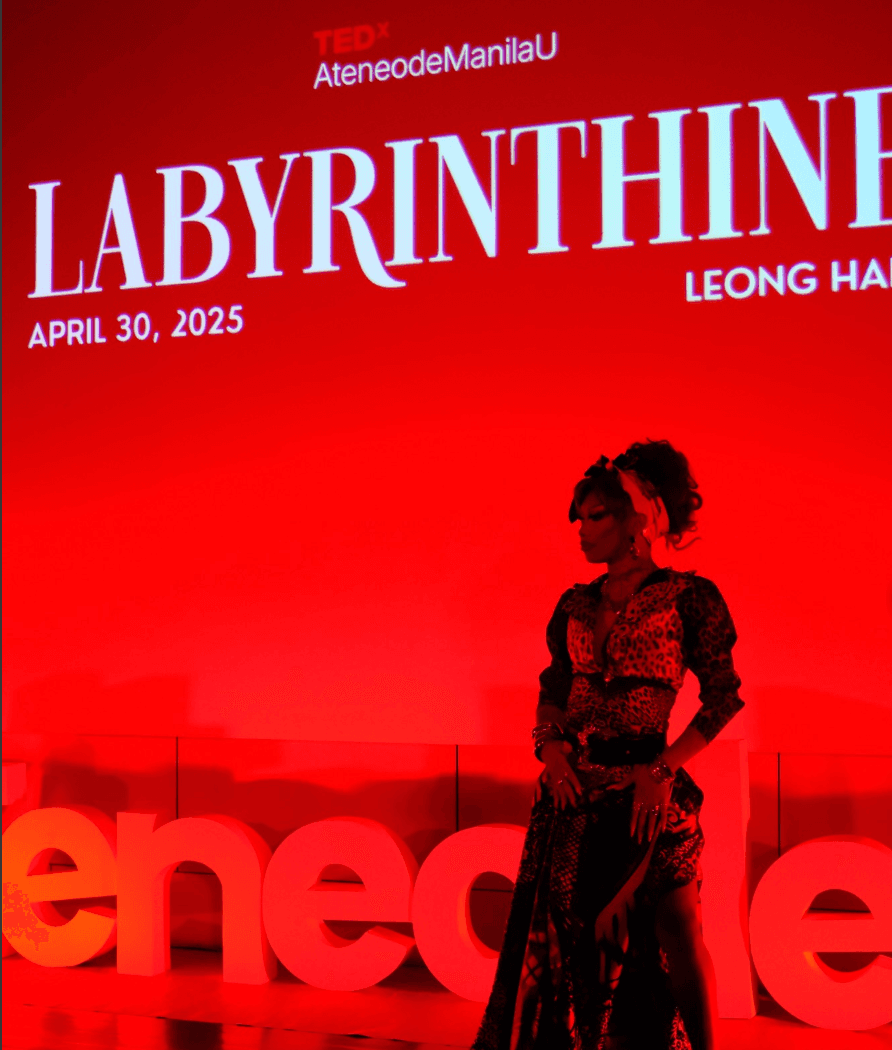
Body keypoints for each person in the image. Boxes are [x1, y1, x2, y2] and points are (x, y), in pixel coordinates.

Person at [472, 440, 744, 1050]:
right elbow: (553, 688)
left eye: (597, 516)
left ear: (638, 522)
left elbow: (723, 697)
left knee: (678, 927)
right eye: (580, 517)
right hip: (571, 801)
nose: (581, 530)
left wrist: (662, 767)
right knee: (571, 945)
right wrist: (551, 751)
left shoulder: (688, 599)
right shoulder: (574, 603)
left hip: (649, 793)